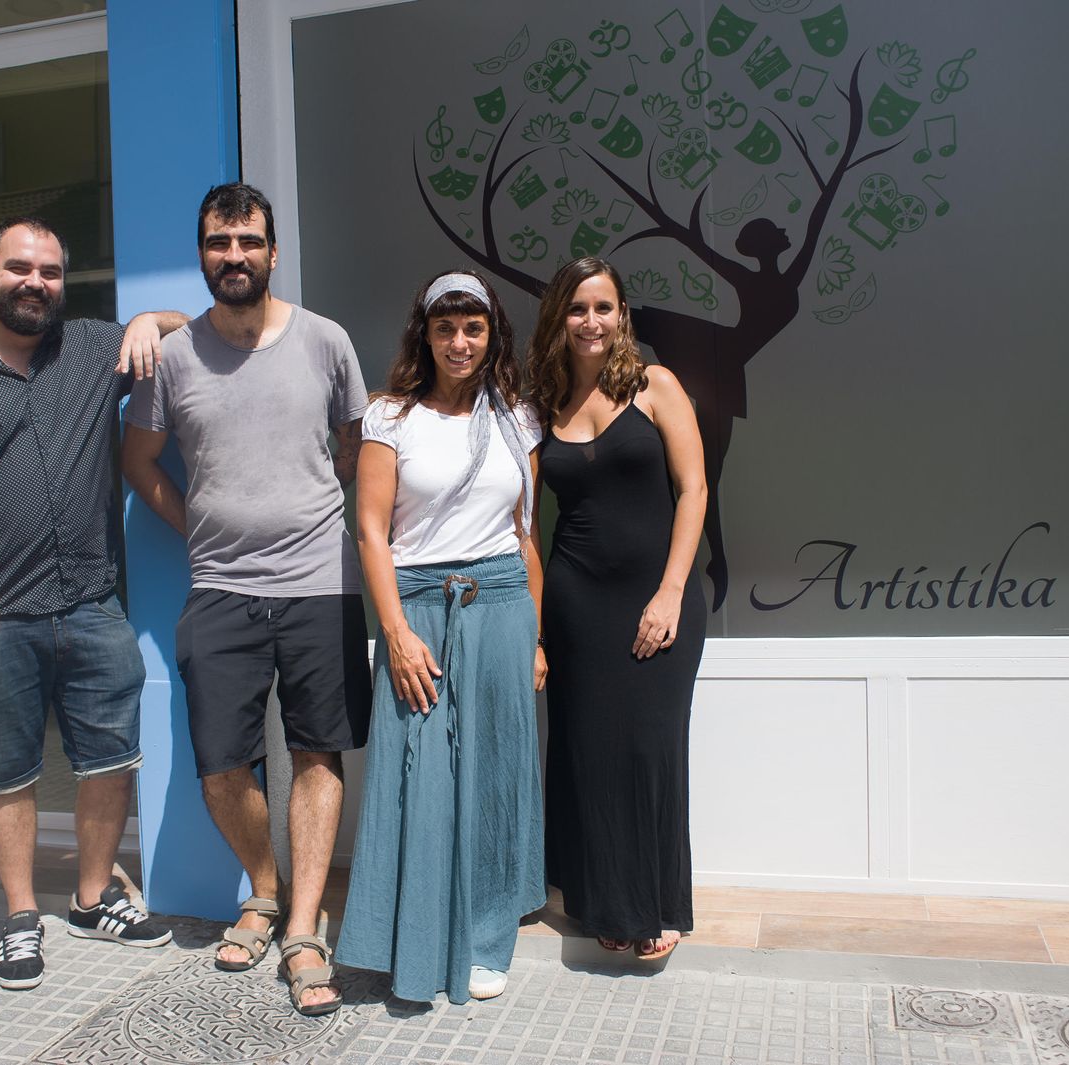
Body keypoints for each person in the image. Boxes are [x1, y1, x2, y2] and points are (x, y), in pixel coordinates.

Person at [0, 216, 187, 991]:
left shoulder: (90, 347)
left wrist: (151, 319)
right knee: (7, 772)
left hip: (92, 605)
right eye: (19, 268)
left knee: (110, 760)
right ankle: (21, 915)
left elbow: (189, 325)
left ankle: (90, 897)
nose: (34, 283)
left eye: (49, 271)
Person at [121, 183, 371, 1017]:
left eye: (248, 241)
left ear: (273, 249)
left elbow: (352, 452)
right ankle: (263, 888)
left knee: (316, 753)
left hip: (318, 583)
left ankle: (302, 926)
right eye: (219, 242)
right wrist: (195, 523)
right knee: (220, 763)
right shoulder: (175, 356)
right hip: (220, 587)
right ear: (202, 252)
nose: (234, 255)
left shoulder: (326, 342)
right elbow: (140, 461)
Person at [336, 269, 547, 1004]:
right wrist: (393, 633)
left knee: (494, 773)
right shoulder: (389, 416)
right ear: (423, 335)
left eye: (474, 327)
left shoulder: (519, 418)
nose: (460, 342)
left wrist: (538, 638)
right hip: (419, 607)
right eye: (445, 327)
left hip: (502, 608)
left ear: (493, 335)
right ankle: (412, 937)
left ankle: (489, 938)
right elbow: (369, 529)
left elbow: (525, 535)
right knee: (416, 778)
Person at [527, 257, 707, 961]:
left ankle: (656, 901)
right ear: (558, 319)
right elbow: (524, 526)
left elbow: (692, 490)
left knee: (650, 748)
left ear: (622, 314)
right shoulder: (543, 408)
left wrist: (668, 592)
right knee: (588, 748)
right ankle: (602, 899)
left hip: (660, 596)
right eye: (577, 308)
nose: (591, 321)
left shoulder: (656, 386)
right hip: (578, 603)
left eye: (604, 307)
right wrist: (538, 630)